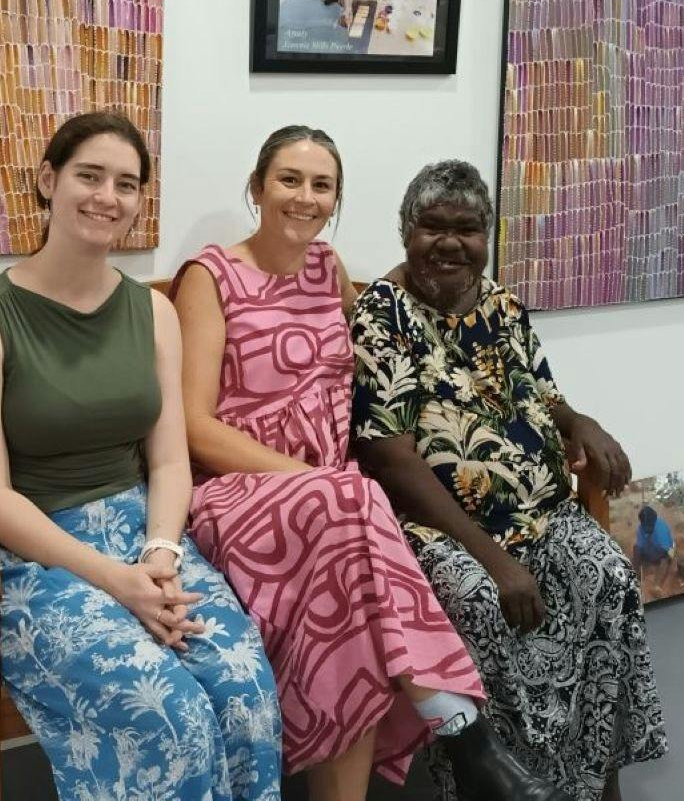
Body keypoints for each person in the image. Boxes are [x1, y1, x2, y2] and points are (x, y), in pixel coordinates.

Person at [172, 128, 569, 801]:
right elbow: (193, 426)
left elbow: (394, 323)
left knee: (350, 602)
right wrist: (309, 477)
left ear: (336, 199)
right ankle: (465, 733)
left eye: (321, 185)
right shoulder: (211, 278)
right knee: (353, 501)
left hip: (339, 509)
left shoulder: (328, 270)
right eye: (289, 180)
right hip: (240, 494)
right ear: (257, 187)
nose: (304, 196)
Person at [0, 111, 283, 801]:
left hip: (144, 536)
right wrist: (113, 579)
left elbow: (169, 461)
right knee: (171, 713)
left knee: (247, 690)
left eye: (126, 184)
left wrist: (158, 553)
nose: (107, 197)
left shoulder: (152, 311)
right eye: (89, 175)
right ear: (48, 181)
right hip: (36, 556)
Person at [351, 160, 668, 801]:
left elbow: (544, 393)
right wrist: (494, 559)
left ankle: (593, 779)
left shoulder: (499, 302)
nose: (449, 243)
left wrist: (581, 421)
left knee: (607, 575)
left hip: (540, 511)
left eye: (466, 229)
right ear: (405, 231)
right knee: (479, 601)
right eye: (432, 227)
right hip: (437, 528)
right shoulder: (381, 315)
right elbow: (392, 458)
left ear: (487, 235)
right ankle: (500, 785)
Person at [632, 504, 678, 591]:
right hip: (651, 551)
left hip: (662, 551)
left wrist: (673, 562)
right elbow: (640, 545)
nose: (647, 527)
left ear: (654, 521)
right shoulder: (640, 529)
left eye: (650, 525)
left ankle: (657, 585)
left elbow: (670, 552)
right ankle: (635, 575)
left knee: (665, 558)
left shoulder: (661, 532)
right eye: (644, 525)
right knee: (636, 548)